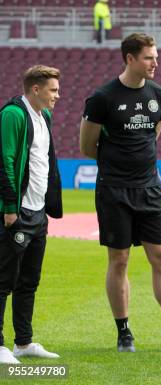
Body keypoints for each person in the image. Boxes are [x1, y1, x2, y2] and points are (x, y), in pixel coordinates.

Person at [79, 33, 161, 354]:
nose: (155, 62)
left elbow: (153, 135)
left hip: (150, 189)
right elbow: (87, 146)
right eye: (148, 57)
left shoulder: (159, 94)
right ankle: (124, 332)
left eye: (155, 56)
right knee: (119, 260)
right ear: (130, 58)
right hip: (114, 190)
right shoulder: (102, 97)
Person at [0, 65, 63, 364]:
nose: (57, 96)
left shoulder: (44, 116)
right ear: (35, 89)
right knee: (3, 279)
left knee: (29, 281)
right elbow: (5, 159)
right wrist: (10, 208)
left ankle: (22, 343)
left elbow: (44, 161)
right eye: (53, 90)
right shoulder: (13, 114)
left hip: (38, 213)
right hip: (17, 212)